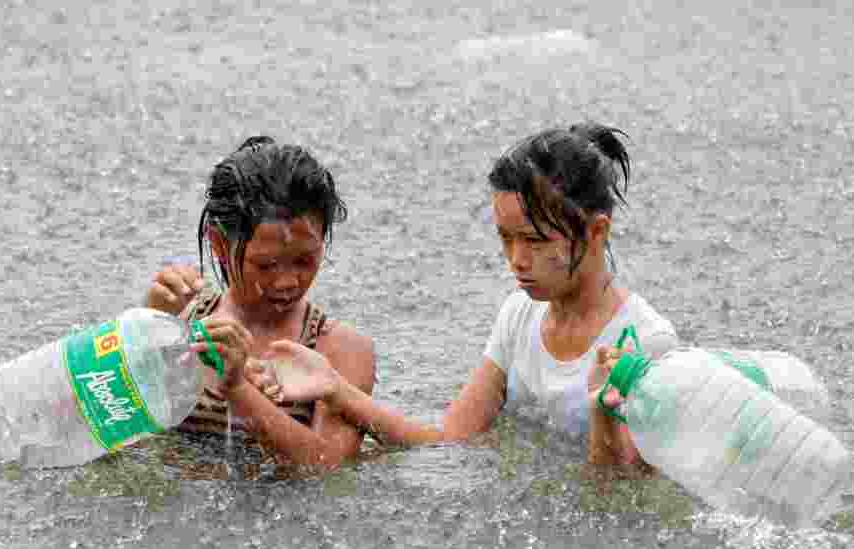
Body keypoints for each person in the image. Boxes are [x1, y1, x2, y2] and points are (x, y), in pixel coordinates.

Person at [246, 123, 679, 466]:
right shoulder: (519, 316)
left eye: (533, 240)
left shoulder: (645, 342)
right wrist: (334, 388)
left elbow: (626, 498)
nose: (516, 259)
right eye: (506, 238)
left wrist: (604, 417)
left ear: (596, 231)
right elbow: (448, 439)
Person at [145, 136, 375, 467]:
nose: (287, 281)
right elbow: (101, 424)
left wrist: (237, 388)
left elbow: (330, 468)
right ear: (219, 244)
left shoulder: (340, 349)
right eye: (266, 264)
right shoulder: (180, 316)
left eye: (305, 260)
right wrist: (144, 329)